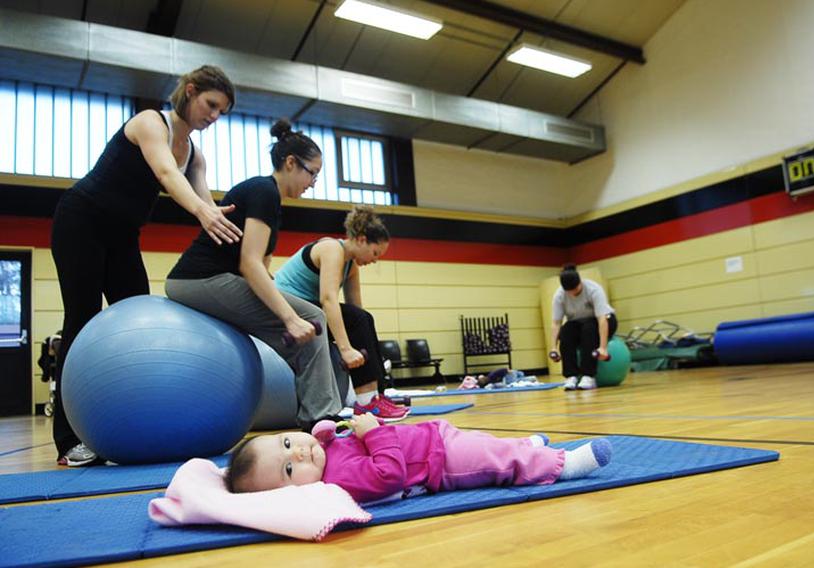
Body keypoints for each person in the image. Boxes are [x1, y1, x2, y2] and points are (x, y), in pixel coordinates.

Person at [51, 65, 241, 467]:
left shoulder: (195, 155)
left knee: (138, 320)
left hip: (122, 235)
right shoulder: (149, 122)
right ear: (190, 92)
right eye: (211, 105)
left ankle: (133, 424)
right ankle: (68, 441)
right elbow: (165, 173)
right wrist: (202, 213)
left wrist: (216, 217)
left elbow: (202, 200)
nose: (214, 117)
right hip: (81, 221)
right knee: (82, 318)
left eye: (222, 112)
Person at [165, 118, 344, 433]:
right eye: (312, 172)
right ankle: (321, 419)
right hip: (198, 280)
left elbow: (259, 267)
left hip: (212, 280)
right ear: (291, 163)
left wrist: (289, 312)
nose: (314, 182)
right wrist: (289, 318)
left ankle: (322, 415)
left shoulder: (270, 198)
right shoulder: (264, 191)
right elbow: (250, 266)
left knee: (311, 319)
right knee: (310, 317)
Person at [225, 413, 613, 499]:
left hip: (434, 436)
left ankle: (524, 446)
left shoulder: (321, 449)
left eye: (286, 443)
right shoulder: (339, 480)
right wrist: (374, 433)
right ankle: (562, 464)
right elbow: (388, 474)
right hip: (441, 463)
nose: (300, 452)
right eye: (290, 468)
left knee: (486, 441)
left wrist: (326, 433)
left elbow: (328, 440)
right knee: (494, 460)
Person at [274, 206, 408, 420]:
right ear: (362, 240)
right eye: (375, 253)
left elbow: (358, 311)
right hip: (285, 308)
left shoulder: (350, 266)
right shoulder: (331, 249)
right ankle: (366, 403)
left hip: (309, 308)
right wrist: (345, 350)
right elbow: (328, 300)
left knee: (363, 318)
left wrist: (372, 358)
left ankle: (376, 396)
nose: (375, 260)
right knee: (356, 319)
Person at [549, 264, 618, 391]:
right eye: (569, 291)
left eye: (576, 289)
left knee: (589, 329)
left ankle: (588, 376)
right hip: (578, 323)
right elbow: (556, 323)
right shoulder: (559, 296)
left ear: (580, 282)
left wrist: (603, 348)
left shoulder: (593, 289)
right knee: (566, 331)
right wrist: (553, 348)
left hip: (605, 320)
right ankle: (571, 376)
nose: (573, 293)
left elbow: (602, 319)